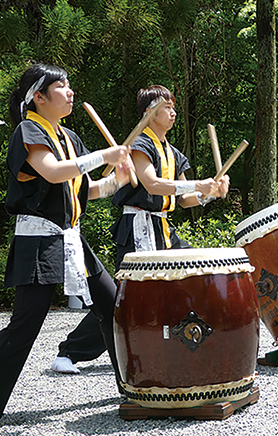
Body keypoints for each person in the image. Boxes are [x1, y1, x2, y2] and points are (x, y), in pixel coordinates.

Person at [50, 85, 230, 374]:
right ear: (149, 113)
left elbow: (184, 200)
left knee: (192, 276)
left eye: (173, 107)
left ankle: (179, 342)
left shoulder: (173, 153)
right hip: (137, 227)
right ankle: (70, 351)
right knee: (128, 296)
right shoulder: (139, 146)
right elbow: (152, 184)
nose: (173, 112)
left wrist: (210, 193)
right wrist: (200, 184)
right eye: (166, 107)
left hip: (163, 227)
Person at [0, 63, 133, 417]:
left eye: (70, 85)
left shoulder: (69, 138)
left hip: (72, 239)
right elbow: (54, 172)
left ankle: (135, 388)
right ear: (38, 97)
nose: (70, 92)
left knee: (114, 307)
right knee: (24, 328)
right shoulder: (28, 130)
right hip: (39, 241)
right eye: (61, 86)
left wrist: (117, 179)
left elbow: (86, 190)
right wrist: (104, 156)